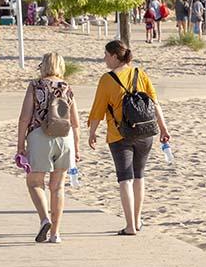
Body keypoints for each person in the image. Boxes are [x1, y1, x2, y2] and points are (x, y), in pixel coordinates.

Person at [88, 40, 171, 236]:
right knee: (139, 176)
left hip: (120, 134)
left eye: (106, 55)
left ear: (115, 56)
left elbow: (98, 110)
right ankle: (138, 219)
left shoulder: (107, 79)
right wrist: (163, 128)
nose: (104, 58)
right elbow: (154, 103)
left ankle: (130, 226)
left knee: (125, 178)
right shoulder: (140, 73)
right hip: (145, 132)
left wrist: (92, 133)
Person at [16, 52, 81, 244]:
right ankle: (55, 234)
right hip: (65, 138)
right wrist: (76, 148)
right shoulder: (67, 87)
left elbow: (24, 118)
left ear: (43, 65)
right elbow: (75, 122)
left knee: (35, 182)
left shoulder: (35, 85)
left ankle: (45, 219)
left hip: (39, 137)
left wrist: (20, 145)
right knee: (58, 187)